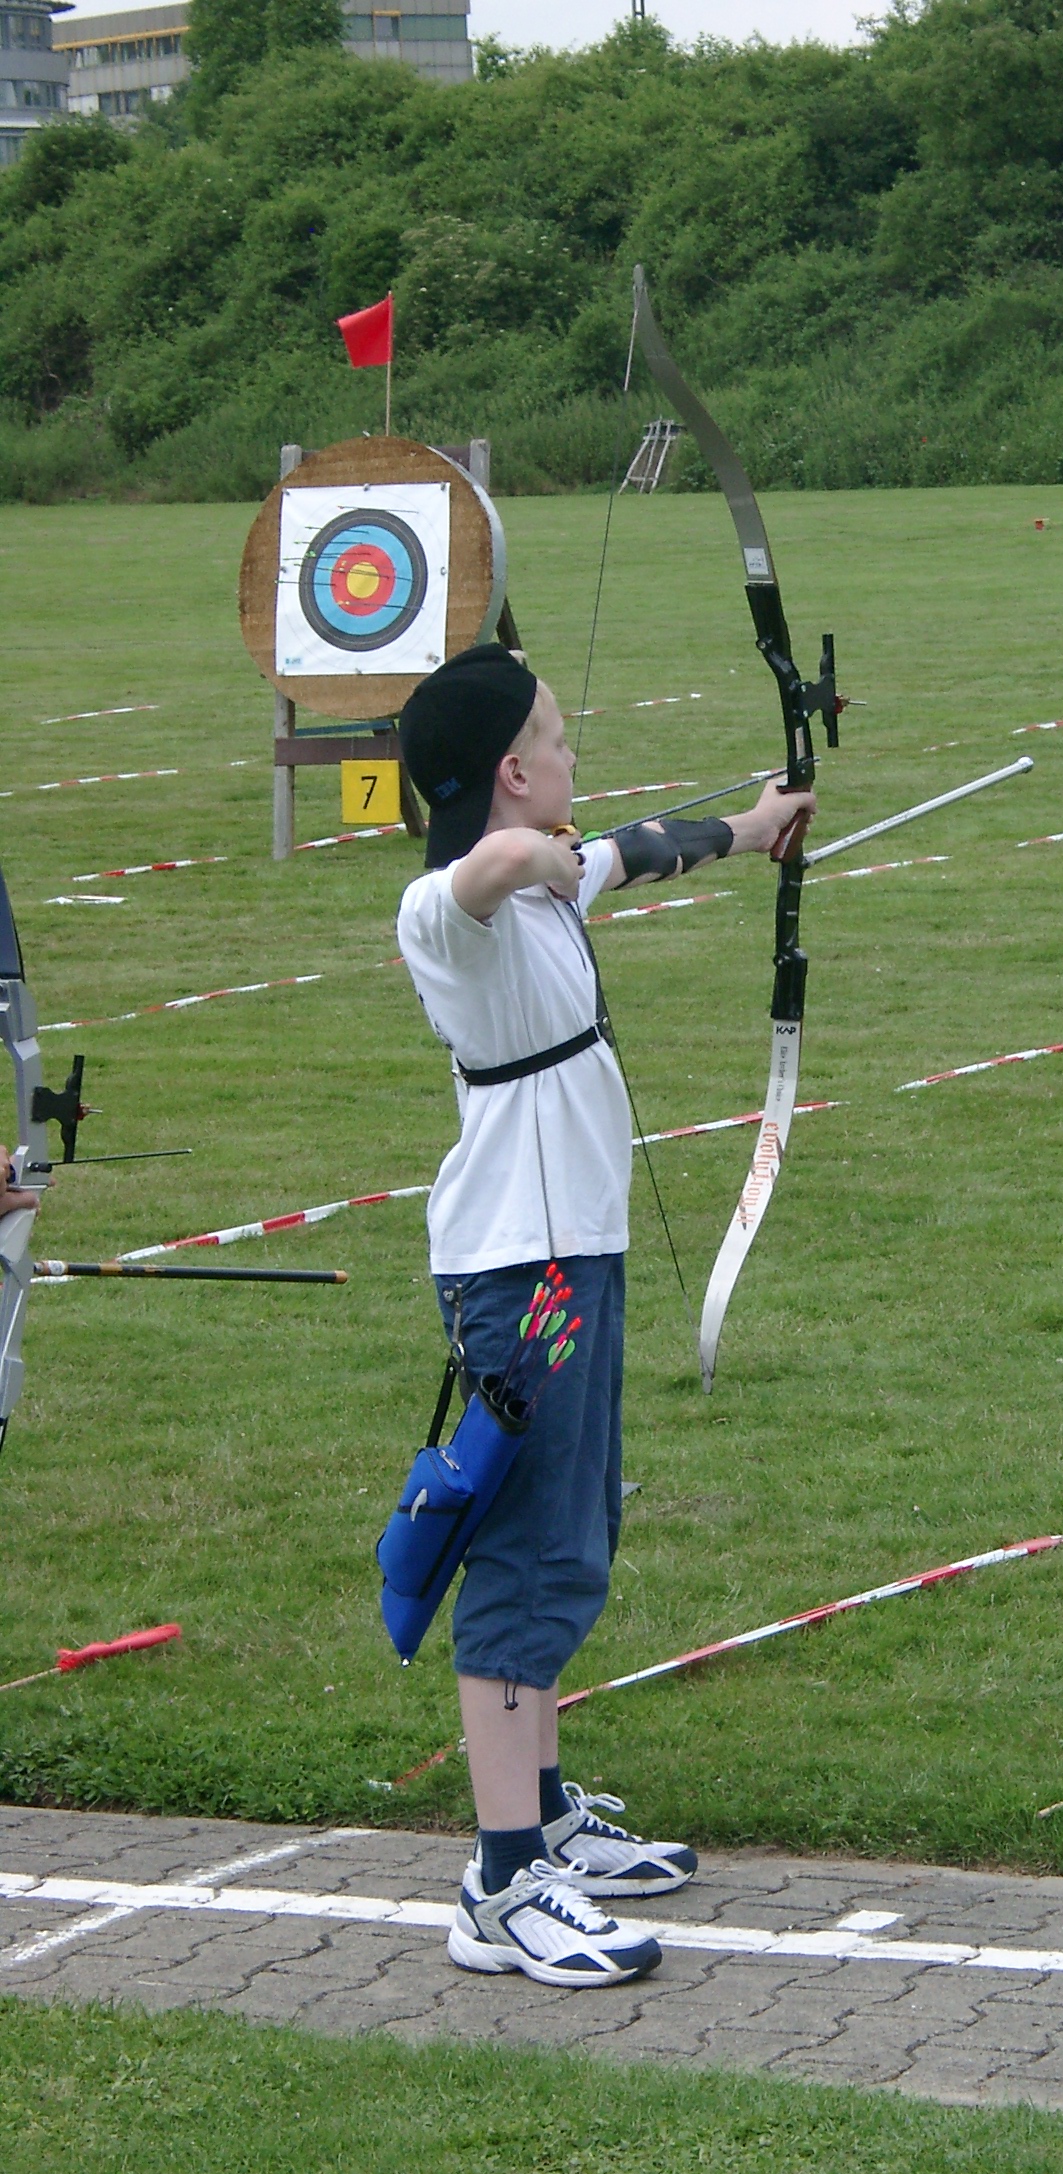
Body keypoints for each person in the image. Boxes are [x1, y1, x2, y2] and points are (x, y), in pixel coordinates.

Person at [394, 643, 813, 1991]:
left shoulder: (547, 882)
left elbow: (628, 853)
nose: (574, 755)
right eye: (557, 740)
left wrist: (753, 827)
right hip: (525, 1276)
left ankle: (546, 1811)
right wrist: (542, 853)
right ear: (510, 774)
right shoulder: (446, 908)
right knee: (525, 1552)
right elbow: (496, 870)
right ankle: (503, 1882)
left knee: (574, 1529)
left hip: (575, 1256)